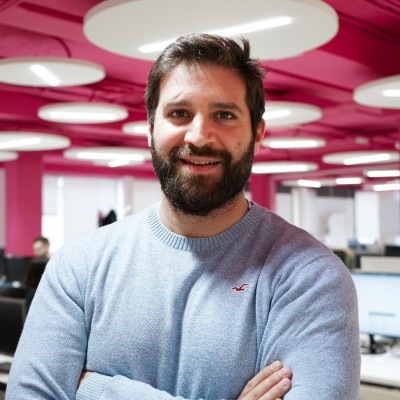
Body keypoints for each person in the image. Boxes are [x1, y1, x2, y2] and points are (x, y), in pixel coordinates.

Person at [6, 34, 360, 399]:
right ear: (150, 130)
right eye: (179, 113)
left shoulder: (311, 277)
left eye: (224, 115)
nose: (199, 136)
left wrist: (98, 390)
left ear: (257, 134)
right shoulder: (79, 266)